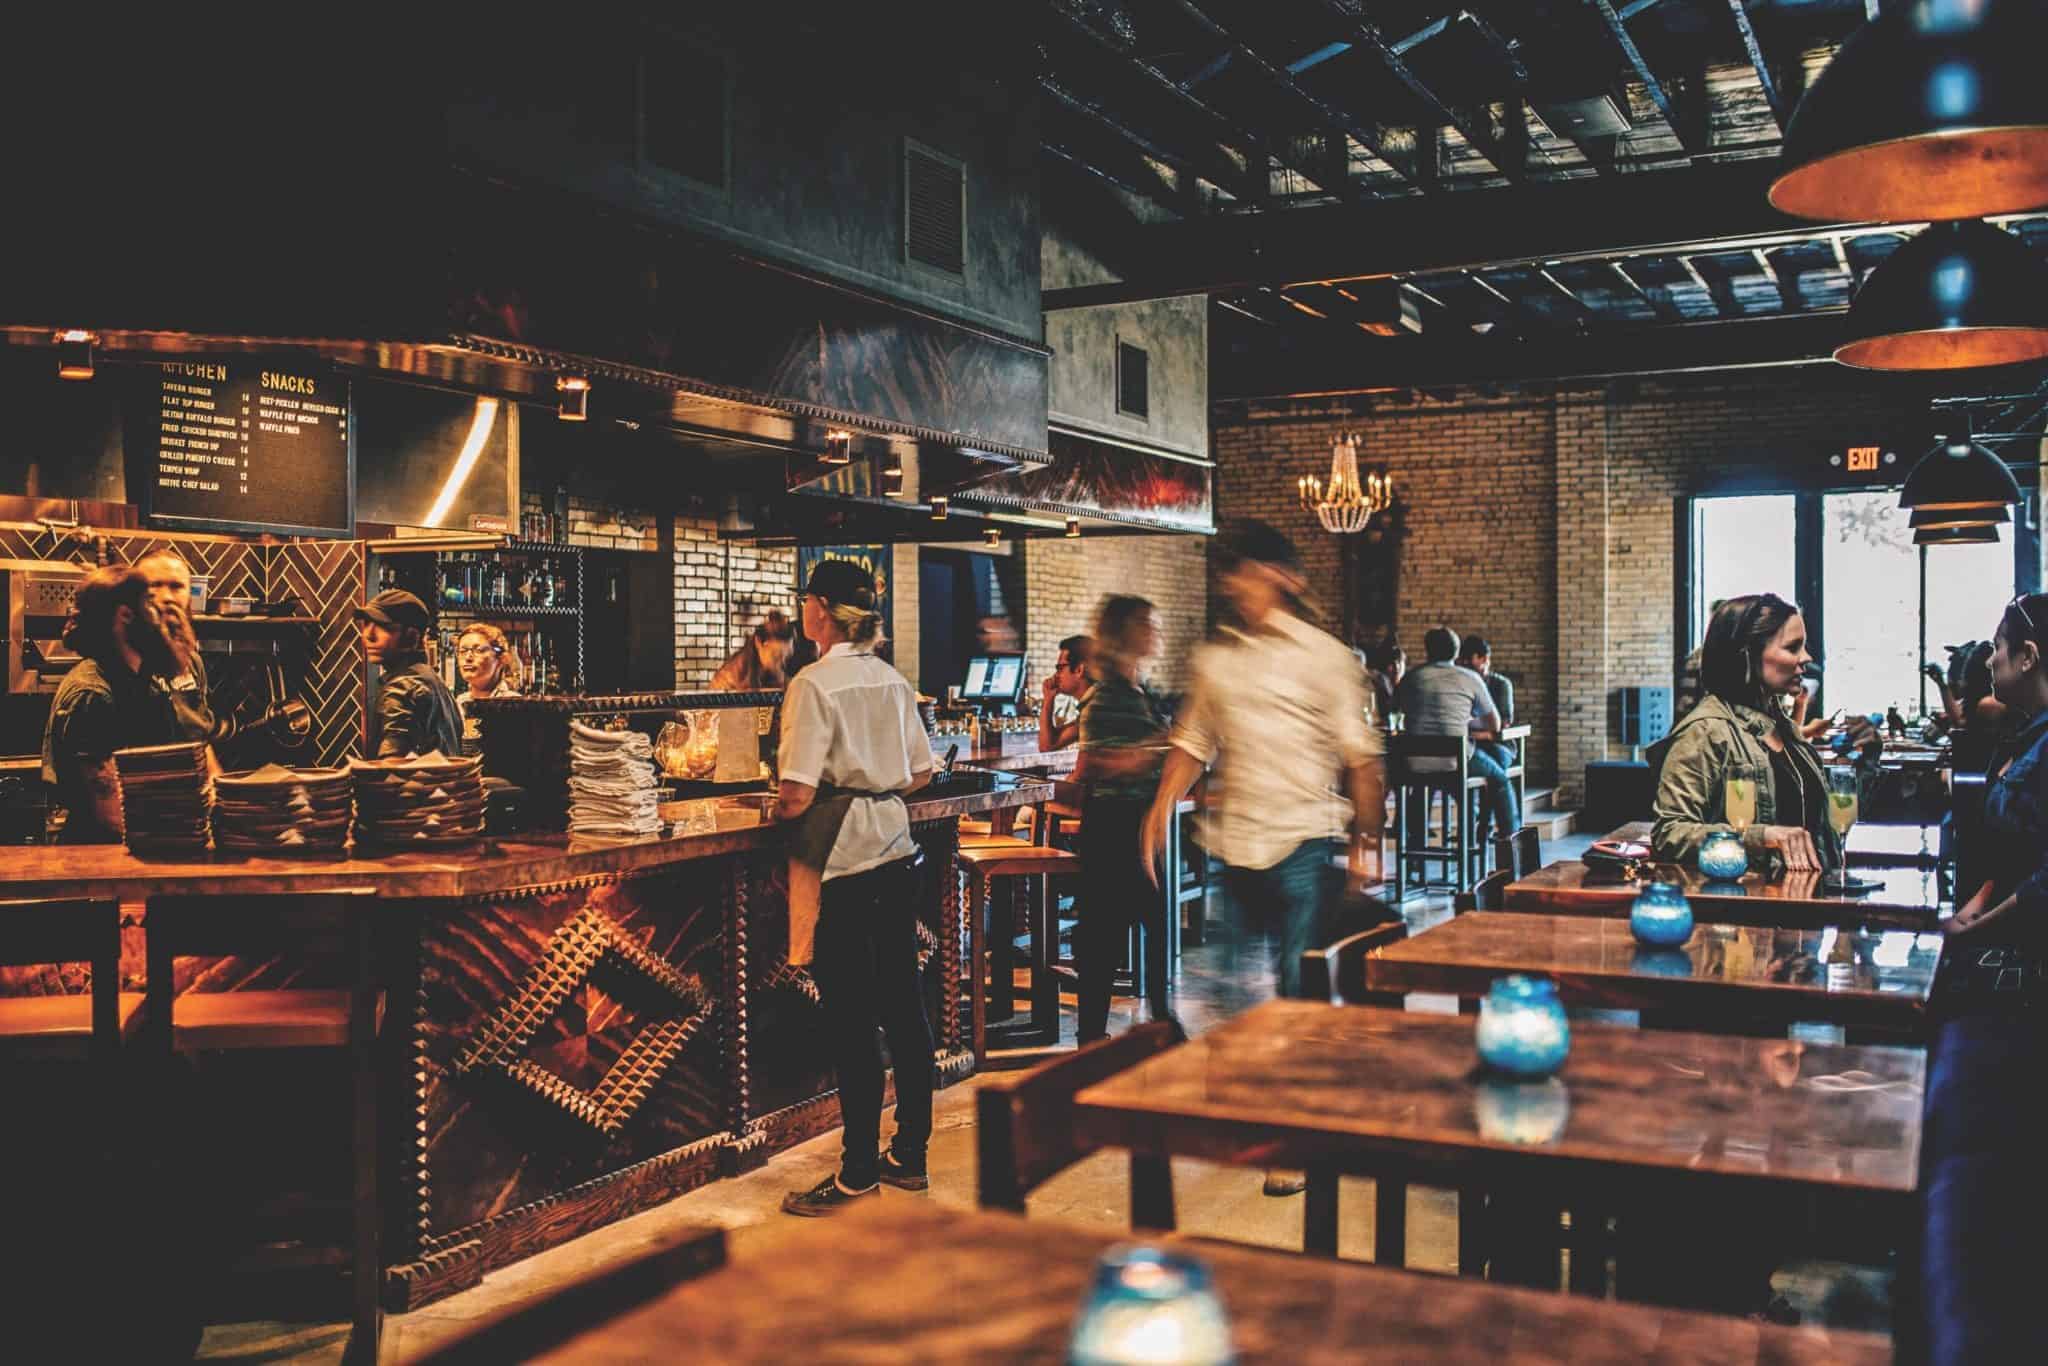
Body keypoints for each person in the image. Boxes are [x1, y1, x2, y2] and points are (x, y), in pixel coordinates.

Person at [1139, 520, 1385, 1198]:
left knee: (1294, 991)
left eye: (1244, 570)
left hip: (1305, 840)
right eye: (1230, 572)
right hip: (1235, 843)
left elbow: (1362, 757)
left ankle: (1293, 1137)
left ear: (1282, 577)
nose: (1232, 584)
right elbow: (1194, 739)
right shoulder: (1217, 661)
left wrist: (1368, 843)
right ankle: (1268, 1104)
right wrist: (1161, 807)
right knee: (1223, 990)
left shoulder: (1326, 657)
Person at [776, 558, 937, 1217]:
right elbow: (922, 773)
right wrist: (876, 782)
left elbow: (795, 794)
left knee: (851, 1023)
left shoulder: (814, 684)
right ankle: (911, 1157)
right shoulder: (891, 680)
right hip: (895, 852)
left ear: (819, 610)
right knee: (905, 1011)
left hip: (842, 860)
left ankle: (856, 1173)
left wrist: (787, 802)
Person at [1651, 594, 1877, 873]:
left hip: (1805, 898)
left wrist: (1868, 757)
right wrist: (1763, 837)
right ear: (1748, 654)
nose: (1807, 658)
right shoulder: (1707, 730)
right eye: (1793, 647)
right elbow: (1670, 833)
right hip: (1747, 904)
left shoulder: (1782, 727)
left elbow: (1826, 824)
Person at [1074, 599, 1174, 1044]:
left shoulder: (1140, 690)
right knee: (1104, 937)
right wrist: (1157, 746)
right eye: (1147, 625)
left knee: (1154, 926)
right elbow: (1095, 762)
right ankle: (1092, 1037)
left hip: (1141, 822)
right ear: (1124, 633)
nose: (1156, 631)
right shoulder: (1106, 694)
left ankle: (1159, 1020)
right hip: (1112, 825)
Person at [40, 565, 193, 842]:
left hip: (141, 853)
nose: (162, 621)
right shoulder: (92, 696)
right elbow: (112, 816)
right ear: (125, 616)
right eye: (152, 609)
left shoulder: (145, 685)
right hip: (98, 864)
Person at [1946, 594, 2048, 946]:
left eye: (1998, 646)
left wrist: (1979, 927)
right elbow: (2013, 856)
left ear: (2028, 657)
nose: (1989, 660)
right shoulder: (2025, 736)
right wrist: (1977, 906)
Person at [1397, 627, 1518, 860]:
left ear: (1427, 650)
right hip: (1456, 762)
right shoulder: (1469, 678)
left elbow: (1394, 710)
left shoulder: (1411, 677)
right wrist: (1465, 721)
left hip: (1413, 763)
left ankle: (1414, 853)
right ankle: (1512, 852)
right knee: (1500, 781)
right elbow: (1494, 723)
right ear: (1455, 652)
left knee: (1423, 786)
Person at [356, 589, 462, 759]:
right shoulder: (433, 680)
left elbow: (393, 769)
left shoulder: (404, 685)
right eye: (366, 624)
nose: (368, 635)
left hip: (416, 786)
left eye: (384, 626)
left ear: (411, 637)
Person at [136, 550, 217, 749]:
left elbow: (200, 747)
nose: (166, 597)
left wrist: (215, 779)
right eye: (154, 585)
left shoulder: (192, 663)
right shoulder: (124, 661)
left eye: (176, 586)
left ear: (190, 595)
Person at [1456, 634, 1519, 846]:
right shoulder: (1461, 684)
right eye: (1463, 661)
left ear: (1484, 659)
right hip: (1471, 744)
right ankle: (1475, 823)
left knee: (1496, 766)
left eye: (1471, 660)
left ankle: (1487, 825)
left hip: (1499, 744)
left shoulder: (1500, 684)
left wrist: (1473, 733)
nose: (1467, 666)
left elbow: (1502, 727)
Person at [453, 622, 522, 753]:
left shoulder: (513, 704)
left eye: (478, 650)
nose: (468, 657)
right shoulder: (458, 703)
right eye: (462, 651)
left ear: (501, 659)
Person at [710, 610, 796, 691]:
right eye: (776, 656)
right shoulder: (728, 678)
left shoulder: (776, 673)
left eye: (787, 656)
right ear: (758, 643)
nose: (782, 663)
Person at [1037, 633, 1091, 752]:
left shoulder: (1097, 710)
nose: (1056, 675)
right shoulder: (1089, 709)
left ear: (1079, 670)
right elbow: (1048, 745)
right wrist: (1048, 699)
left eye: (1060, 668)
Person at [1364, 641, 1405, 736]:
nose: (1397, 667)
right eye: (1392, 664)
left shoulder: (1404, 684)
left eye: (1400, 662)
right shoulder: (1378, 681)